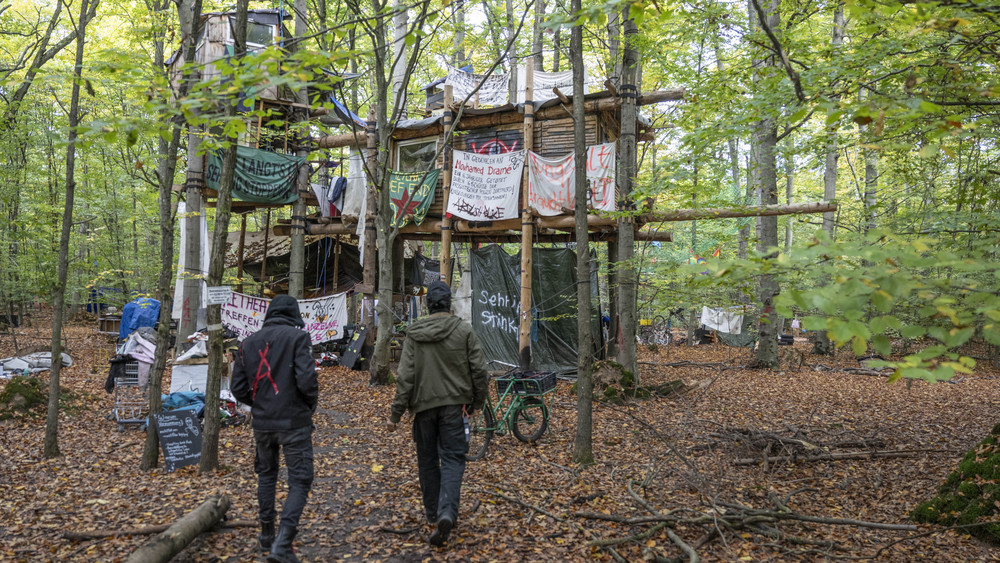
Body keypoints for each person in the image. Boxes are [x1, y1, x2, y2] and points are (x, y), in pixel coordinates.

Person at [387, 281, 488, 547]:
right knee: (453, 459)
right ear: (449, 303)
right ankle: (447, 512)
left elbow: (405, 377)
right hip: (456, 408)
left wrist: (396, 414)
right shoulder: (464, 331)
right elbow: (479, 370)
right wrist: (477, 403)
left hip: (423, 410)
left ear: (427, 305)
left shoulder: (414, 334)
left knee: (427, 461)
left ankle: (433, 513)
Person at [231, 294, 318, 563]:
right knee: (300, 480)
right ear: (293, 315)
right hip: (293, 422)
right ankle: (282, 543)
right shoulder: (298, 338)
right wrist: (308, 405)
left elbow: (237, 388)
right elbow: (306, 380)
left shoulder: (248, 342)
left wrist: (258, 403)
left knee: (267, 477)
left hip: (264, 423)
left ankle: (267, 536)